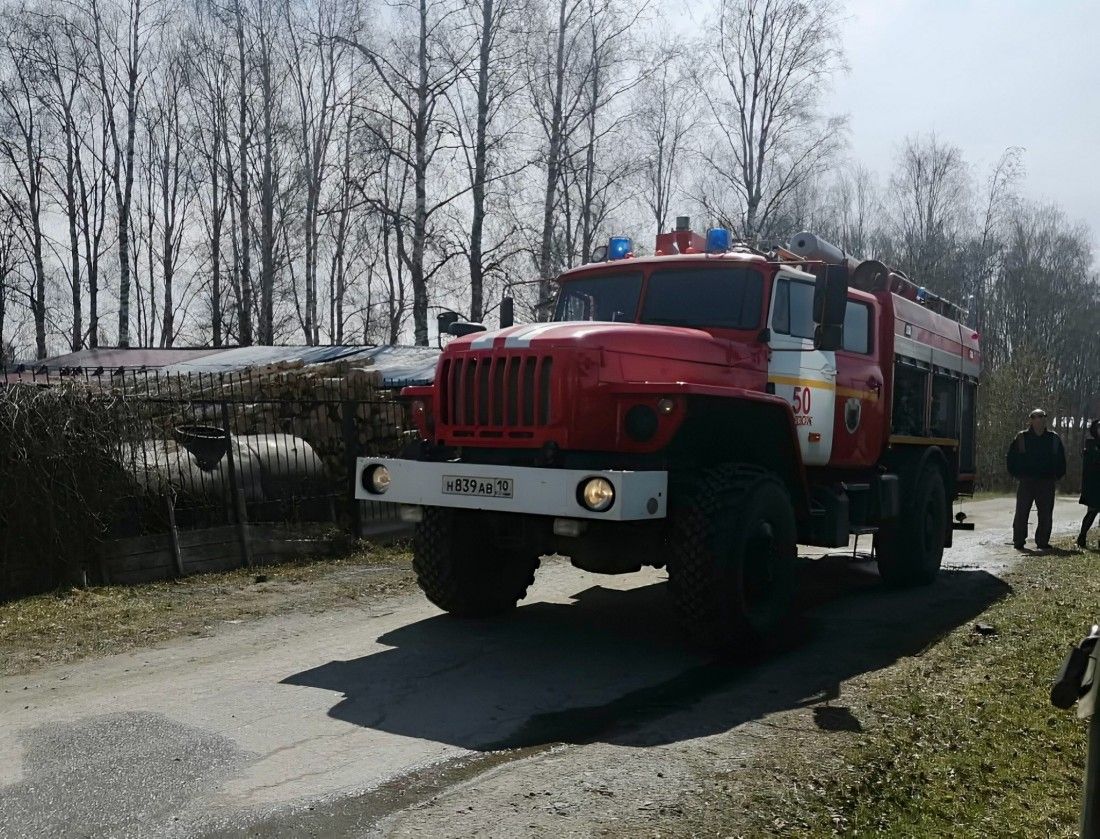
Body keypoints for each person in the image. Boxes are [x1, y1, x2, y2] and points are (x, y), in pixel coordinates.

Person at [1006, 407, 1067, 550]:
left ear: (1045, 420)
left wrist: (1056, 476)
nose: (1038, 420)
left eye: (1041, 417)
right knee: (1021, 512)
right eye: (1035, 417)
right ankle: (1019, 540)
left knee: (1045, 514)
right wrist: (1017, 475)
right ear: (1030, 420)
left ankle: (1042, 541)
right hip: (1026, 481)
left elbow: (1061, 460)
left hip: (1046, 482)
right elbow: (1011, 458)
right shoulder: (1021, 437)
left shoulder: (1053, 438)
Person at [1078, 419, 1100, 549]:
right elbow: (1091, 464)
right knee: (1092, 512)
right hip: (1094, 484)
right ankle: (1082, 536)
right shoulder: (1091, 444)